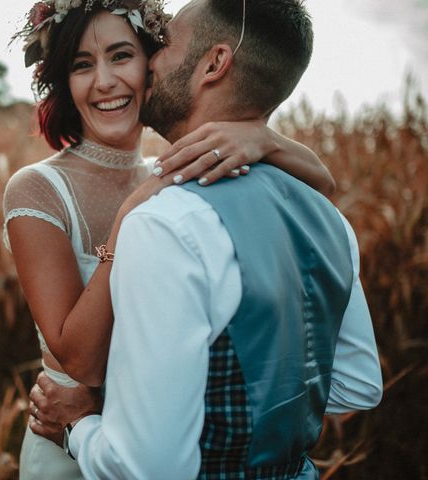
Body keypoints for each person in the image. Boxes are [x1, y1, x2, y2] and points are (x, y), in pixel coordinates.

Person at [27, 0, 383, 478]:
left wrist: (78, 425)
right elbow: (357, 386)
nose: (148, 63)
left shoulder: (164, 220)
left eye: (159, 46)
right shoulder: (327, 216)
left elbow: (149, 465)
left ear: (214, 63)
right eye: (83, 64)